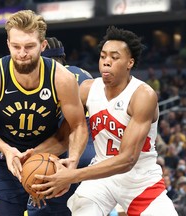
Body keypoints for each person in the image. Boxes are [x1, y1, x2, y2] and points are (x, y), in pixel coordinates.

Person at [33, 26, 178, 215]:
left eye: (114, 57)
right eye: (103, 57)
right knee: (82, 210)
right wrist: (30, 155)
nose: (106, 62)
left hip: (139, 179)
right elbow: (63, 138)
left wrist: (72, 176)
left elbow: (127, 160)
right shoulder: (87, 89)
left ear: (130, 63)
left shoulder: (143, 95)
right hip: (100, 178)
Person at [0, 10, 88, 216]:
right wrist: (5, 150)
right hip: (7, 158)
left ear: (42, 46)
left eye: (30, 46)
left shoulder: (62, 78)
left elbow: (77, 126)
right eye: (16, 46)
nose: (22, 53)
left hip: (51, 157)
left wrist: (73, 162)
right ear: (8, 44)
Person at [26, 37, 96, 216]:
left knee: (40, 208)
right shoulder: (85, 75)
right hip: (93, 154)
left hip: (62, 153)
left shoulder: (44, 77)